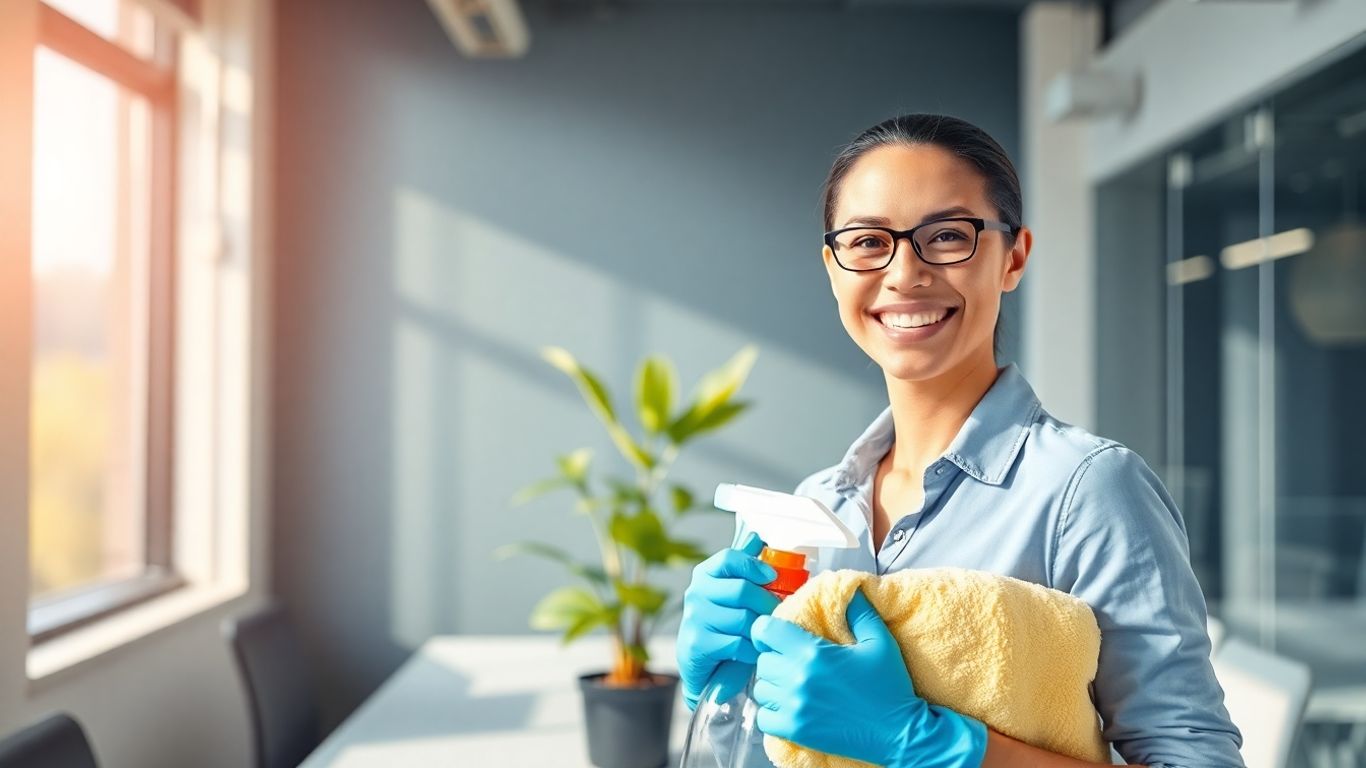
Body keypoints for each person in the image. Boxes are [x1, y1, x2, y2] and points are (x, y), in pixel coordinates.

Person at [675, 114, 1245, 768]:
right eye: (867, 242)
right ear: (833, 268)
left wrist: (933, 743)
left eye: (947, 236)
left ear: (1015, 257)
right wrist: (723, 690)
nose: (904, 272)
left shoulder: (1087, 493)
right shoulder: (816, 510)